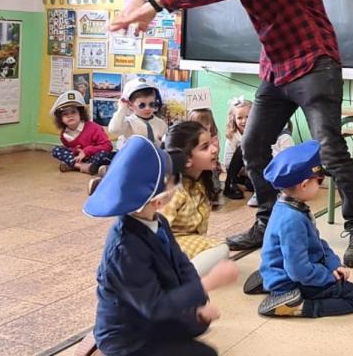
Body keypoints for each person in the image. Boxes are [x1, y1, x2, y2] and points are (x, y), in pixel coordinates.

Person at [109, 0, 353, 267]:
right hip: (276, 69)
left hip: (314, 64)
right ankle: (268, 220)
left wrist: (157, 5)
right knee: (251, 144)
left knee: (329, 148)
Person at [85, 135, 239, 356]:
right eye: (171, 179)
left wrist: (197, 303)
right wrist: (208, 283)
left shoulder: (159, 221)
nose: (176, 182)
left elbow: (182, 264)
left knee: (199, 334)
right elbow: (154, 306)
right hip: (129, 338)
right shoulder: (124, 249)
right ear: (159, 199)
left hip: (151, 318)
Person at [256, 140, 353, 318]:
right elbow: (298, 270)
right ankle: (299, 305)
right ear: (305, 184)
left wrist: (334, 264)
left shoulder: (290, 206)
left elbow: (317, 242)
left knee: (298, 263)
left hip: (295, 269)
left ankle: (271, 275)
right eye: (320, 180)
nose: (321, 184)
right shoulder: (292, 219)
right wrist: (329, 276)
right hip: (295, 279)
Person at [162, 121, 230, 276]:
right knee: (221, 251)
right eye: (205, 147)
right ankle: (179, 281)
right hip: (166, 249)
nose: (214, 149)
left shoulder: (200, 181)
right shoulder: (173, 190)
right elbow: (156, 233)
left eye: (212, 142)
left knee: (221, 253)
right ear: (186, 159)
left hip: (185, 243)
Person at [222, 96, 295, 205]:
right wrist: (248, 171)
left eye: (248, 117)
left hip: (271, 171)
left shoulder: (281, 136)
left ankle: (264, 190)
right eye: (240, 118)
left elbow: (286, 162)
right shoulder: (234, 136)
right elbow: (228, 163)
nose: (244, 121)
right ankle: (232, 185)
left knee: (251, 150)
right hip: (248, 171)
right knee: (244, 148)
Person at [50, 90, 114, 177]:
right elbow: (69, 148)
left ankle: (72, 165)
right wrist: (76, 150)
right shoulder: (64, 134)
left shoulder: (94, 128)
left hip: (94, 156)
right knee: (56, 150)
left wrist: (86, 151)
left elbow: (108, 146)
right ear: (60, 119)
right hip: (79, 159)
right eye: (65, 114)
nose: (70, 116)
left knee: (106, 155)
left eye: (73, 112)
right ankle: (80, 166)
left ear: (81, 113)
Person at [109, 78, 168, 148]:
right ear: (130, 105)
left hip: (154, 157)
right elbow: (114, 130)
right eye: (142, 105)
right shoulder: (127, 122)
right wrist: (122, 108)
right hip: (132, 157)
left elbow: (166, 144)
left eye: (151, 104)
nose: (147, 108)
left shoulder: (161, 124)